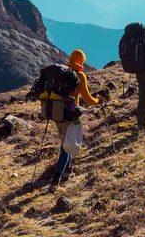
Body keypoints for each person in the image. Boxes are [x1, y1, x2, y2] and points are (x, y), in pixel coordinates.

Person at [28, 49, 105, 188]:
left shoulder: (60, 75)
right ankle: (55, 181)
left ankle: (67, 172)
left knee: (65, 142)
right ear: (81, 61)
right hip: (69, 115)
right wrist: (98, 101)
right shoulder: (79, 75)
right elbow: (87, 98)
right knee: (66, 147)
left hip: (54, 113)